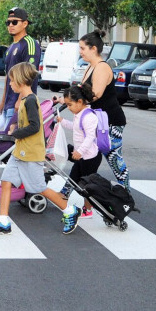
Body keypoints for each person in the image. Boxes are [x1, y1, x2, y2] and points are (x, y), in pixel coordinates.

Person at [0, 62, 82, 235]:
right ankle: (4, 221)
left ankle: (70, 211)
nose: (10, 84)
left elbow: (35, 126)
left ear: (20, 81)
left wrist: (16, 133)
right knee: (6, 181)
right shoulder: (24, 100)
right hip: (20, 151)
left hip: (30, 153)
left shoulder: (29, 101)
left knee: (38, 188)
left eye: (12, 81)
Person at [59, 29, 129, 190]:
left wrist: (73, 101)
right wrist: (66, 99)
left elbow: (95, 94)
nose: (80, 52)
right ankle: (65, 193)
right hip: (95, 121)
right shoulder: (90, 67)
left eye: (83, 48)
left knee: (115, 162)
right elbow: (81, 91)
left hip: (110, 122)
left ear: (93, 49)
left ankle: (126, 195)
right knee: (84, 158)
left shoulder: (102, 68)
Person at [56, 84, 103, 218]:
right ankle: (62, 197)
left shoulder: (89, 116)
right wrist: (62, 121)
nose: (69, 108)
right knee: (73, 178)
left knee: (87, 186)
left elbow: (90, 137)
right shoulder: (79, 114)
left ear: (80, 102)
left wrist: (80, 151)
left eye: (70, 105)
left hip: (90, 158)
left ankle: (88, 209)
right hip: (82, 156)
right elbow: (76, 128)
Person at [0, 7, 41, 128]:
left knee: (12, 143)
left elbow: (29, 75)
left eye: (15, 22)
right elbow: (8, 77)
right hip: (8, 105)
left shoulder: (30, 43)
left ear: (25, 23)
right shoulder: (11, 47)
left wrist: (20, 100)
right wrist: (3, 102)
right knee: (7, 142)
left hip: (20, 104)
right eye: (8, 22)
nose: (10, 25)